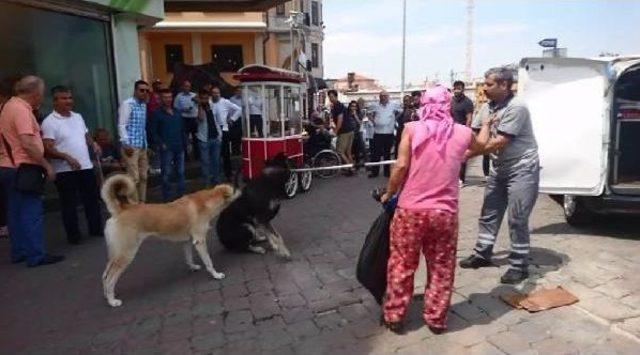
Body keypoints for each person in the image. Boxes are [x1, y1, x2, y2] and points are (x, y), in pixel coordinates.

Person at [379, 85, 491, 333]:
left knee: (401, 264)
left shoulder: (411, 129)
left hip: (410, 211)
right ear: (448, 105)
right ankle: (436, 318)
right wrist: (486, 124)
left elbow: (400, 167)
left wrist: (389, 193)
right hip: (445, 214)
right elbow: (482, 146)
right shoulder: (462, 133)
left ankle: (395, 315)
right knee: (442, 266)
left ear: (423, 104)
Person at [459, 67, 540, 285]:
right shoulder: (486, 107)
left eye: (489, 84)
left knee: (517, 217)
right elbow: (475, 135)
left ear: (504, 85)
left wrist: (463, 156)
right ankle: (482, 254)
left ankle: (519, 265)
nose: (484, 89)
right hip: (499, 167)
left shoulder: (517, 107)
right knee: (489, 213)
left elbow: (499, 142)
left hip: (521, 168)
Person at [0, 75, 64, 267]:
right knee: (31, 212)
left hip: (8, 166)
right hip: (23, 167)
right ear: (34, 92)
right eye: (41, 93)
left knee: (15, 211)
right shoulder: (21, 110)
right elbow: (27, 142)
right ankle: (36, 254)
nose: (42, 97)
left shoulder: (8, 107)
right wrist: (45, 164)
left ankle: (19, 251)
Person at [41, 86, 103, 245]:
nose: (68, 101)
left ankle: (96, 229)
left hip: (85, 165)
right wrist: (66, 157)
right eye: (64, 98)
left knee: (92, 199)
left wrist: (93, 144)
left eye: (70, 98)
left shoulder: (78, 117)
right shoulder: (49, 122)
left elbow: (85, 134)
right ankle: (74, 236)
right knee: (69, 203)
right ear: (55, 101)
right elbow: (47, 148)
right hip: (64, 170)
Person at [150, 88, 186, 202]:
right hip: (166, 148)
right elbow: (153, 132)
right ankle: (167, 198)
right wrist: (161, 144)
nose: (168, 99)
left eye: (170, 97)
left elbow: (182, 129)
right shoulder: (156, 113)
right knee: (166, 174)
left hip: (179, 146)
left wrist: (185, 143)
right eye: (165, 97)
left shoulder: (177, 112)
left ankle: (181, 197)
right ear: (160, 99)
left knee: (180, 173)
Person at [118, 80, 150, 202]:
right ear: (135, 91)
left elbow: (141, 127)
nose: (144, 93)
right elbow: (122, 125)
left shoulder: (143, 105)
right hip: (131, 146)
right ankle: (133, 206)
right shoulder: (128, 104)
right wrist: (125, 143)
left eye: (146, 90)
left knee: (143, 177)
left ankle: (142, 203)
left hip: (142, 145)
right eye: (142, 90)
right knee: (133, 178)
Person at [210, 86, 241, 181]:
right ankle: (215, 175)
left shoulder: (225, 102)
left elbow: (239, 109)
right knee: (214, 154)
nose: (216, 94)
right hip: (212, 130)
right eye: (214, 93)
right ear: (211, 94)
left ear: (220, 93)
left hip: (224, 128)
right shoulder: (208, 102)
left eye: (217, 93)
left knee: (226, 153)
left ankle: (228, 174)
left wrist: (232, 119)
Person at [368, 91, 401, 178]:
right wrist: (373, 121)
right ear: (379, 97)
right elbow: (368, 113)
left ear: (388, 97)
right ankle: (375, 172)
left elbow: (400, 111)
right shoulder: (375, 105)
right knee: (376, 154)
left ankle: (387, 173)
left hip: (388, 133)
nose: (383, 97)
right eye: (382, 96)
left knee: (387, 154)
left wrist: (393, 119)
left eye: (385, 96)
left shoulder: (393, 105)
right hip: (378, 133)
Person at [195, 88, 224, 186]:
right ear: (199, 98)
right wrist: (200, 105)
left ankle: (216, 181)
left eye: (206, 98)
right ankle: (206, 184)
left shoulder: (213, 106)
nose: (205, 100)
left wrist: (220, 135)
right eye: (202, 98)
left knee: (216, 162)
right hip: (204, 139)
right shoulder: (196, 107)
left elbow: (218, 121)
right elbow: (201, 118)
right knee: (205, 163)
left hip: (215, 137)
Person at [450, 80, 475, 186]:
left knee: (462, 156)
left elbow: (469, 118)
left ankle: (461, 178)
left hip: (462, 131)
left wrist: (467, 133)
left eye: (459, 88)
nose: (457, 90)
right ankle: (452, 177)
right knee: (451, 156)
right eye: (455, 88)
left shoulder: (468, 102)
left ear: (463, 89)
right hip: (450, 131)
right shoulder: (451, 101)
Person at [328, 90, 355, 175]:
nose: (330, 98)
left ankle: (350, 168)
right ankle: (352, 168)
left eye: (332, 96)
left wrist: (336, 131)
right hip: (350, 130)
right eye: (329, 97)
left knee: (339, 151)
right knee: (348, 152)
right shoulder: (338, 106)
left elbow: (340, 120)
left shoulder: (338, 106)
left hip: (344, 132)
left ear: (336, 96)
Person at [174, 80, 199, 160]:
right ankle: (186, 157)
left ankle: (197, 155)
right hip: (184, 119)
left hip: (194, 119)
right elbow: (175, 108)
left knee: (196, 137)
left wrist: (197, 100)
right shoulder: (179, 96)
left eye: (188, 86)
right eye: (185, 86)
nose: (187, 88)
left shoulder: (194, 95)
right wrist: (183, 110)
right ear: (182, 87)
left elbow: (200, 104)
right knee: (184, 138)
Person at [146, 79, 163, 175]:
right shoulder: (149, 96)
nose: (158, 86)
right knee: (153, 145)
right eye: (156, 84)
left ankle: (160, 164)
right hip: (151, 122)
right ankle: (154, 165)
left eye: (159, 84)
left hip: (161, 123)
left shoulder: (162, 96)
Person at [228, 86, 244, 156]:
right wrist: (230, 119)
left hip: (241, 119)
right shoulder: (231, 99)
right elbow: (229, 110)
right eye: (238, 91)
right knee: (233, 135)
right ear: (235, 92)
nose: (239, 92)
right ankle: (234, 151)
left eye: (240, 91)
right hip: (234, 119)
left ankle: (239, 150)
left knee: (240, 135)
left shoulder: (244, 99)